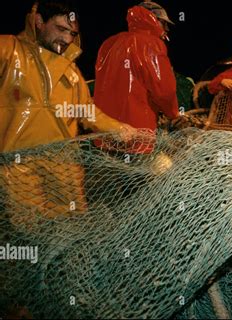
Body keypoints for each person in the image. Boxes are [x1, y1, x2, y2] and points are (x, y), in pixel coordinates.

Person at [0, 1, 136, 226]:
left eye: (72, 33)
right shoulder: (8, 49)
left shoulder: (71, 72)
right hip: (17, 168)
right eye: (61, 29)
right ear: (39, 22)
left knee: (70, 226)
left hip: (64, 169)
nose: (67, 38)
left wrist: (119, 128)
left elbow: (87, 112)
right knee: (27, 232)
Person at [94, 2, 179, 153]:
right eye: (164, 23)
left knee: (111, 174)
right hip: (136, 135)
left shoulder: (109, 43)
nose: (166, 29)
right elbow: (165, 91)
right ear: (153, 19)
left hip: (105, 134)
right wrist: (173, 114)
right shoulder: (152, 44)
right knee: (144, 175)